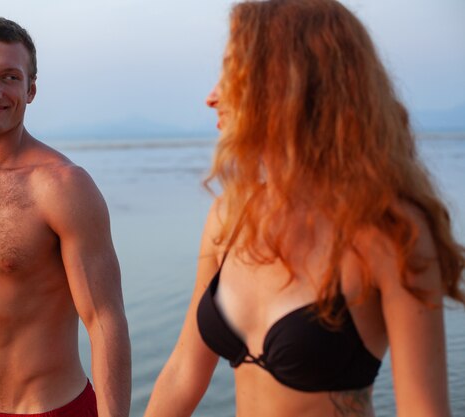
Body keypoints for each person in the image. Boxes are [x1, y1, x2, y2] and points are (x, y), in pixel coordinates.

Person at [144, 1, 465, 416]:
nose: (212, 96)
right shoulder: (230, 215)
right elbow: (184, 373)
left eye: (232, 71)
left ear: (286, 83)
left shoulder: (390, 233)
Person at [0, 16, 131, 417]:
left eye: (10, 77)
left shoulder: (63, 186)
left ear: (30, 90)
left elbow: (105, 322)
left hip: (53, 409)